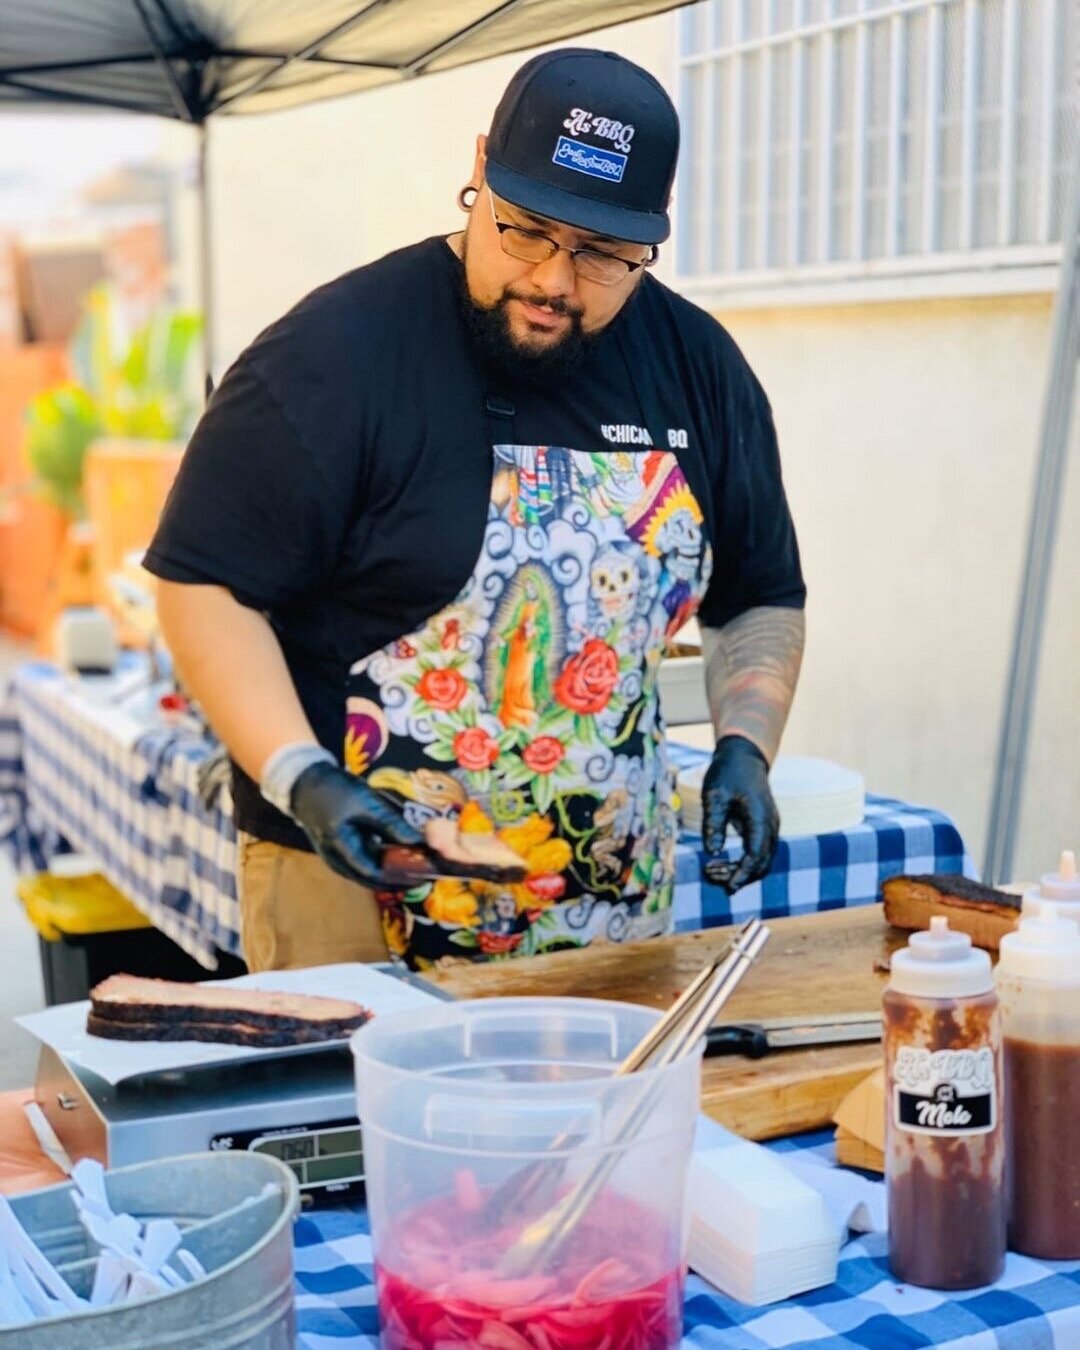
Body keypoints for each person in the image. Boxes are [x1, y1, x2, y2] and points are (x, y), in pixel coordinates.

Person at [146, 48, 806, 973]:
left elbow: (762, 593)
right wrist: (305, 779)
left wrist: (746, 746)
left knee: (607, 1121)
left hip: (604, 906)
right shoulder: (332, 355)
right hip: (354, 883)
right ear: (478, 171)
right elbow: (202, 586)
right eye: (526, 228)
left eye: (604, 254)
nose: (554, 281)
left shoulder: (700, 370)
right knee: (364, 1122)